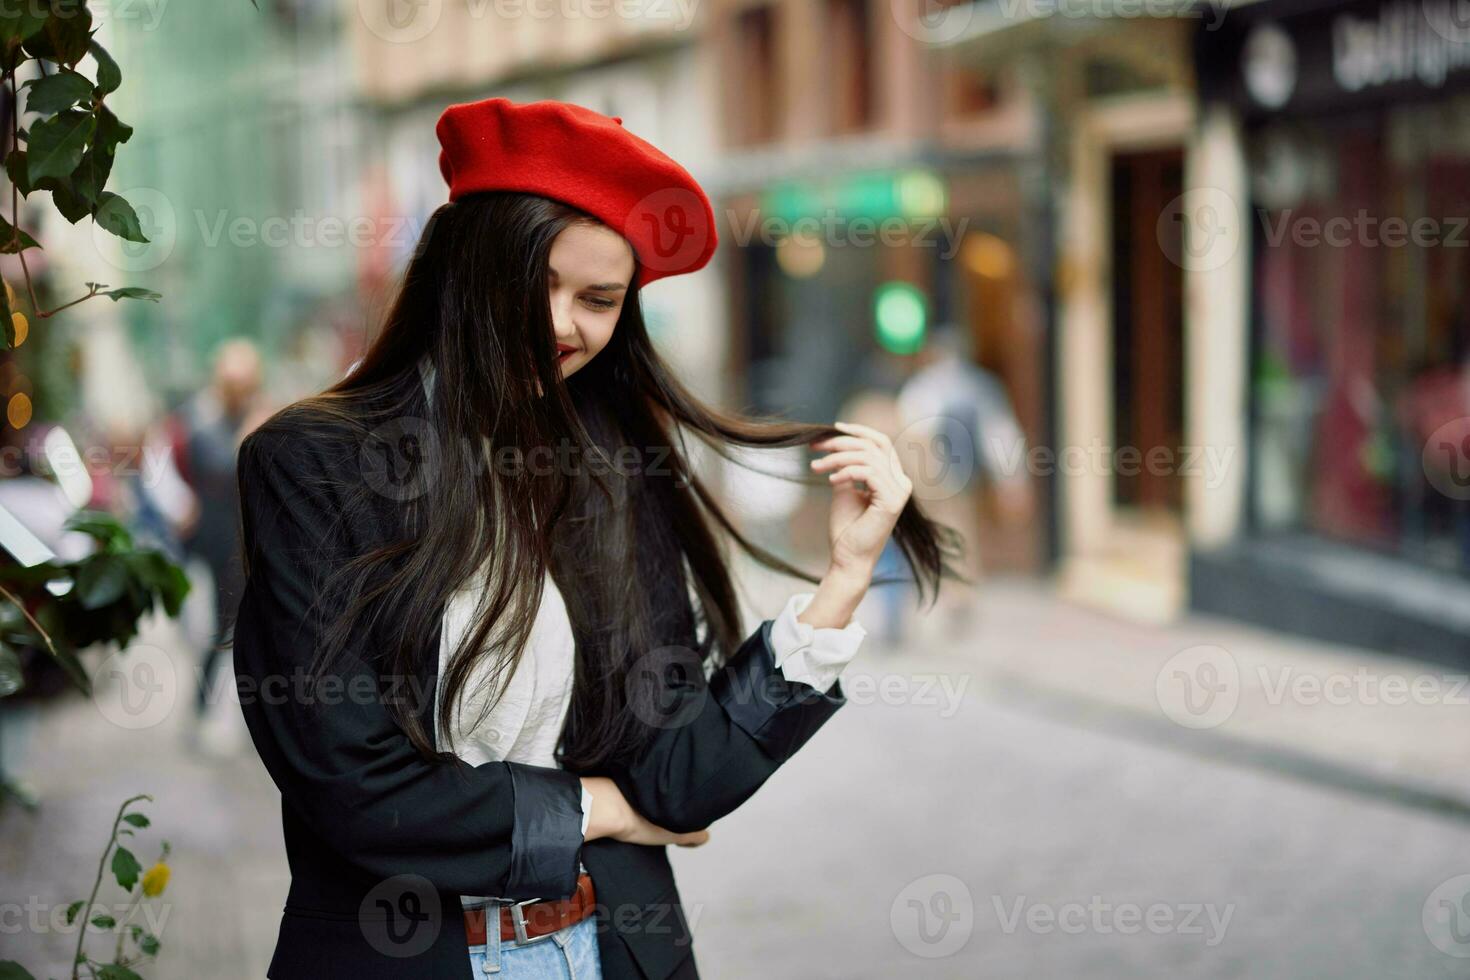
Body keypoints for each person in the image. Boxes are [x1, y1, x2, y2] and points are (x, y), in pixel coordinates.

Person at [231, 98, 963, 980]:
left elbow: (676, 782)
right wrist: (597, 808)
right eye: (537, 283)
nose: (564, 324)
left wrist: (843, 579)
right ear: (465, 271)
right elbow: (355, 792)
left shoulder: (616, 471)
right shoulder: (313, 464)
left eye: (599, 300)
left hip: (610, 950)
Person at [179, 338, 263, 724]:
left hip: (253, 541)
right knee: (225, 625)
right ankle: (203, 703)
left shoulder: (255, 419)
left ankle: (262, 713)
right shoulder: (205, 423)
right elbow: (220, 466)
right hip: (222, 544)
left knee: (258, 628)